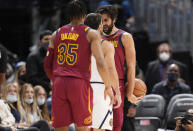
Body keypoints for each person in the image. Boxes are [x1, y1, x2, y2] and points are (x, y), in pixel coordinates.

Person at [44, 0, 114, 131]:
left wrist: (55, 80)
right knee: (82, 127)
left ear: (68, 15)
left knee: (60, 127)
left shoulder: (56, 34)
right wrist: (108, 86)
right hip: (79, 83)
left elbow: (47, 64)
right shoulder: (91, 33)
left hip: (59, 82)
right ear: (84, 15)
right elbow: (100, 62)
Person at [96, 5, 138, 131]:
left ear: (113, 20)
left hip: (116, 84)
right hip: (98, 84)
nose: (103, 24)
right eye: (101, 21)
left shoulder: (125, 37)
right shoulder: (95, 37)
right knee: (96, 124)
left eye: (106, 20)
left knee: (116, 125)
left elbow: (131, 67)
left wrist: (130, 92)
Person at [84, 13, 122, 131]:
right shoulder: (106, 45)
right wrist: (118, 93)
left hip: (81, 88)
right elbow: (111, 69)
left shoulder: (77, 45)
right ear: (100, 26)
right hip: (100, 89)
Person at [26, 30, 52, 96]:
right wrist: (49, 85)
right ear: (40, 42)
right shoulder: (33, 57)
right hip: (39, 92)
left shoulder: (58, 55)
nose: (49, 42)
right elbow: (31, 78)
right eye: (46, 39)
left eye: (51, 39)